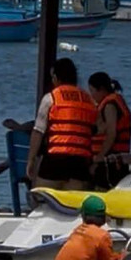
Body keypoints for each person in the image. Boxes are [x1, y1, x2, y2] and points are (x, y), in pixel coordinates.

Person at [26, 57, 98, 190]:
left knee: (41, 199)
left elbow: (38, 131)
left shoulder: (51, 98)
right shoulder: (90, 101)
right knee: (75, 206)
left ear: (56, 77)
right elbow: (95, 130)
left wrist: (30, 160)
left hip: (55, 160)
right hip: (80, 164)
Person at [46, 195, 124, 260]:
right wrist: (123, 257)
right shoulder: (102, 236)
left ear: (83, 216)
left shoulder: (77, 230)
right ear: (103, 216)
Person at [88, 72, 131, 190]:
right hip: (116, 160)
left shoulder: (110, 106)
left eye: (92, 91)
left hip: (110, 162)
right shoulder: (115, 101)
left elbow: (111, 133)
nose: (91, 95)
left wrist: (99, 157)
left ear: (101, 89)